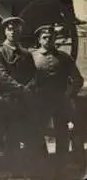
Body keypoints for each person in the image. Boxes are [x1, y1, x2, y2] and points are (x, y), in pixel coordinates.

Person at [0, 17, 44, 176]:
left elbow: (33, 75)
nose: (13, 32)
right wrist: (22, 89)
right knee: (12, 137)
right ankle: (15, 173)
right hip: (8, 98)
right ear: (5, 31)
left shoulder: (26, 53)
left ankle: (34, 172)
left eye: (16, 29)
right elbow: (1, 76)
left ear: (20, 31)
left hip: (25, 99)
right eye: (10, 29)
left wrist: (28, 88)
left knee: (33, 137)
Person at [31, 24, 84, 179]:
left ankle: (61, 168)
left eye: (51, 37)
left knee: (63, 135)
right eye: (45, 38)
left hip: (61, 102)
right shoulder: (32, 57)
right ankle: (43, 167)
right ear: (39, 40)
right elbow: (26, 79)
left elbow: (77, 79)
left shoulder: (64, 57)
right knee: (38, 134)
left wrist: (68, 94)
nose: (48, 40)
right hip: (40, 103)